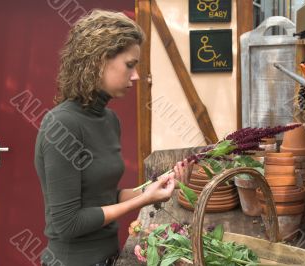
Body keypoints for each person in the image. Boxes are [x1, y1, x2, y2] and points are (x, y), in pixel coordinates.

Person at [34, 9, 193, 266]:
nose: (136, 76)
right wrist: (143, 200)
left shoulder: (109, 120)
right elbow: (68, 224)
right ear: (98, 61)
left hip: (110, 257)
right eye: (130, 65)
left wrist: (152, 188)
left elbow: (105, 198)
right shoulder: (61, 124)